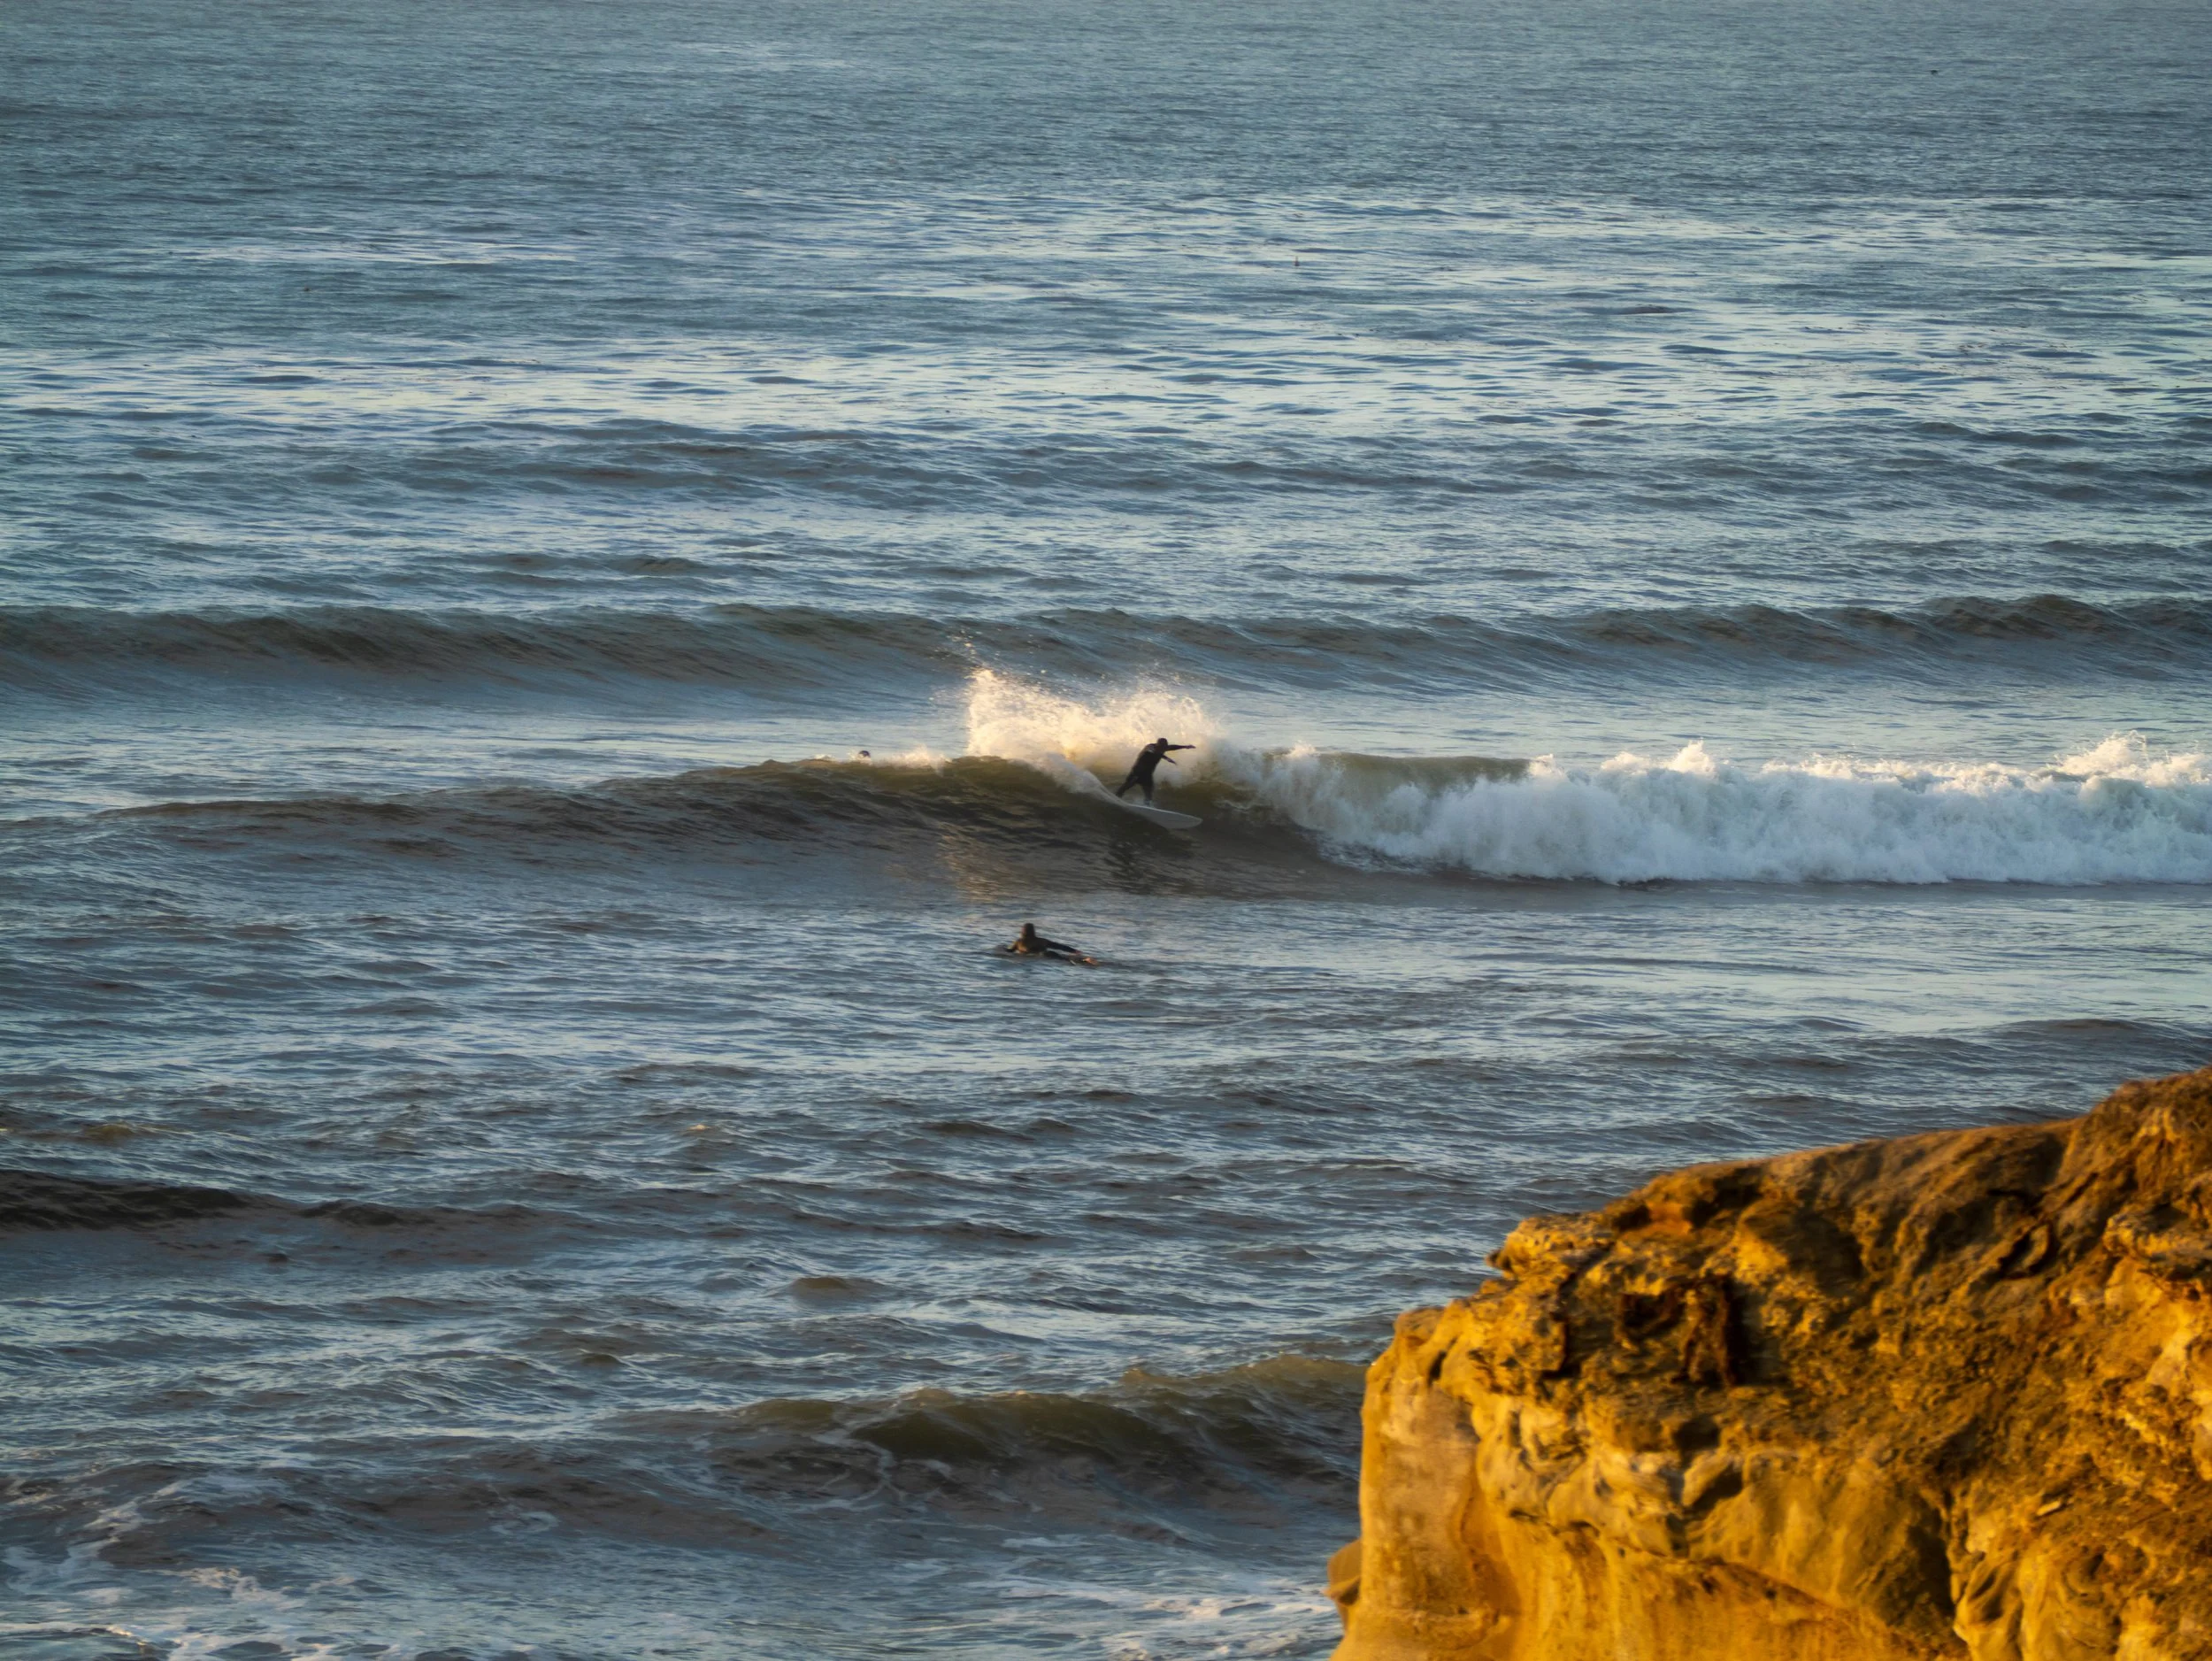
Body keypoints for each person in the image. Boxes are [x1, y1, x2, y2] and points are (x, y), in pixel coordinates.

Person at [1115, 737, 1193, 805]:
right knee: (1126, 786)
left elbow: (1173, 747)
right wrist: (1165, 758)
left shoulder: (1163, 748)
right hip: (1137, 772)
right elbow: (1153, 751)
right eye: (1162, 748)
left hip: (1147, 774)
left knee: (1148, 793)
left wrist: (1185, 746)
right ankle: (1116, 798)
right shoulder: (1150, 747)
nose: (1163, 749)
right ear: (1157, 745)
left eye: (1164, 748)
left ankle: (1147, 805)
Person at [1003, 922, 1093, 964]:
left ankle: (1084, 961)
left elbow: (1009, 952)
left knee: (1067, 962)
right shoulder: (1042, 940)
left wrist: (1000, 949)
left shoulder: (1019, 942)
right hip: (1050, 953)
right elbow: (1058, 946)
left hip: (1042, 957)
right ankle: (1085, 960)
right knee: (1067, 960)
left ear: (1023, 931)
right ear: (1033, 931)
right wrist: (1074, 950)